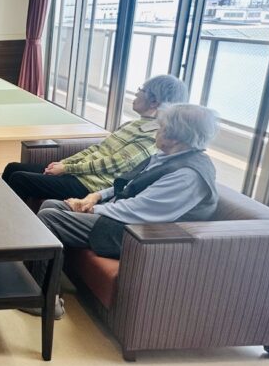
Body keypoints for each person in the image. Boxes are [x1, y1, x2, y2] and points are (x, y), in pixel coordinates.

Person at [38, 103, 220, 262]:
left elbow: (140, 210)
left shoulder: (187, 175)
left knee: (50, 217)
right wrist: (96, 196)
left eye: (161, 127)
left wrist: (91, 209)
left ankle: (38, 288)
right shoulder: (166, 157)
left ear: (173, 137)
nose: (156, 132)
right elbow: (130, 183)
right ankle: (47, 275)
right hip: (122, 216)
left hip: (137, 233)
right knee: (51, 205)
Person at [2, 74, 189, 203]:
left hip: (91, 185)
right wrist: (64, 163)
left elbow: (116, 163)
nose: (136, 93)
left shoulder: (153, 135)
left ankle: (10, 230)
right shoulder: (133, 124)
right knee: (13, 167)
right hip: (79, 174)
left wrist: (67, 168)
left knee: (20, 179)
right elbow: (97, 149)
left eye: (141, 89)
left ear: (154, 101)